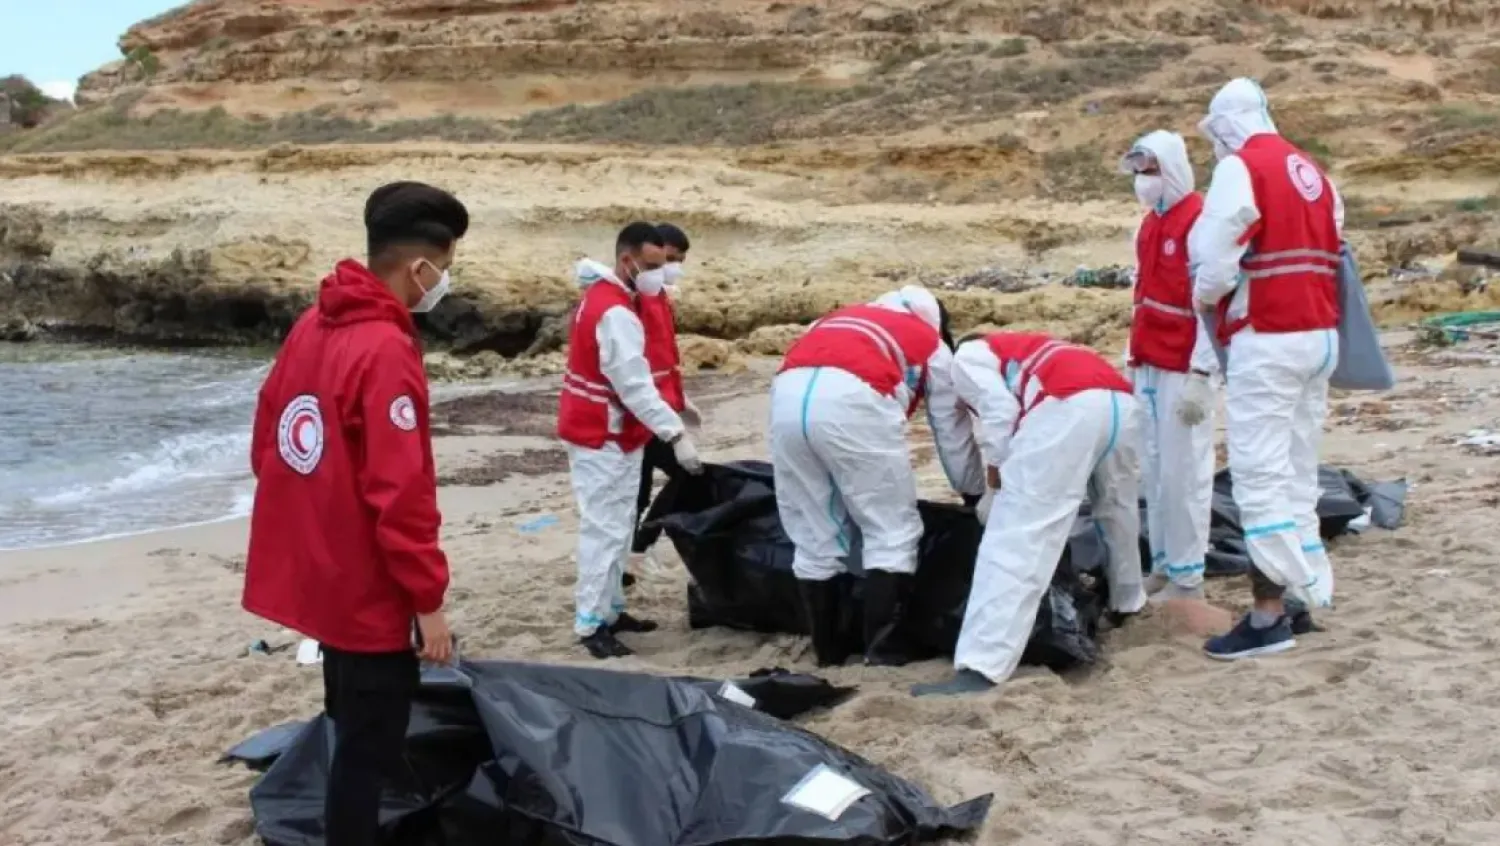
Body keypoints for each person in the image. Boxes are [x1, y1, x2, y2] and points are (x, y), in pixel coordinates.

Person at [243, 181, 464, 846]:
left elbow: (269, 440)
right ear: (419, 267)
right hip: (366, 587)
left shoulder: (314, 322)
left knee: (347, 718)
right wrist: (428, 601)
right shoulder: (386, 349)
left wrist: (311, 518)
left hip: (319, 569)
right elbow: (401, 493)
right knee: (367, 749)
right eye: (445, 270)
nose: (445, 283)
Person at [1190, 77, 1343, 660]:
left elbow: (1216, 258)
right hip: (1319, 334)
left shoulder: (1242, 169)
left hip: (1270, 338)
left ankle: (1267, 616)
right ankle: (1303, 595)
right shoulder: (1314, 173)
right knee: (1300, 472)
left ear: (1225, 126)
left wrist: (1206, 297)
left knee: (1259, 476)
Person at [912, 331, 1147, 697]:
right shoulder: (1032, 347)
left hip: (1067, 407)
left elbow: (1000, 413)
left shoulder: (968, 358)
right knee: (1116, 511)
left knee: (1015, 538)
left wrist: (996, 473)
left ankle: (981, 666)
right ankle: (1127, 602)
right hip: (1119, 402)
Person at [769, 285, 985, 668]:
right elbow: (952, 432)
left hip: (785, 401)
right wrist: (972, 494)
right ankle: (883, 650)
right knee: (891, 531)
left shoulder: (835, 318)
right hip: (857, 402)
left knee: (815, 532)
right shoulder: (928, 342)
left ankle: (828, 651)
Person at [558, 221, 703, 659]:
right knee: (604, 528)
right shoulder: (616, 311)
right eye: (654, 264)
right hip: (602, 431)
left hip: (611, 429)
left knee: (619, 523)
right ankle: (591, 621)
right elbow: (633, 384)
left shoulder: (610, 298)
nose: (660, 274)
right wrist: (674, 431)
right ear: (628, 260)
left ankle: (610, 609)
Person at [1117, 130, 1218, 603]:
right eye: (1139, 173)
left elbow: (1208, 303)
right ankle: (1163, 561)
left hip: (1182, 363)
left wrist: (1202, 372)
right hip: (1150, 360)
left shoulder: (1198, 222)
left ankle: (1188, 575)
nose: (1143, 181)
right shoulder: (1150, 225)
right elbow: (1143, 293)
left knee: (1185, 472)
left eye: (1151, 171)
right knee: (1155, 469)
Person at [626, 223, 702, 576]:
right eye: (668, 260)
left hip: (661, 407)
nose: (672, 268)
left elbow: (665, 356)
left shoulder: (659, 296)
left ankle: (637, 549)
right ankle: (636, 550)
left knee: (680, 479)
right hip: (642, 413)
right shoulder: (634, 297)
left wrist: (680, 399)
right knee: (651, 488)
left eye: (678, 262)